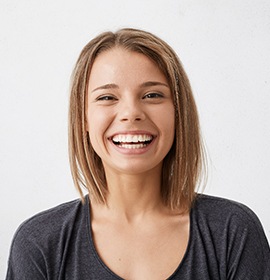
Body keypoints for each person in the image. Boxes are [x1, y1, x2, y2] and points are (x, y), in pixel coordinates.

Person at [6, 28, 270, 280]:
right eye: (107, 97)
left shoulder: (233, 231)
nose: (131, 112)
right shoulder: (38, 243)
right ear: (82, 119)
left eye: (153, 95)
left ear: (178, 113)